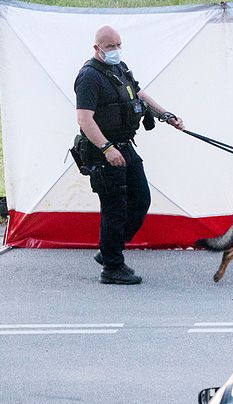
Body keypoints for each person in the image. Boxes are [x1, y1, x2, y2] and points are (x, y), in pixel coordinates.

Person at [74, 25, 184, 284]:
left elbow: (139, 93)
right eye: (110, 46)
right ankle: (111, 268)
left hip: (125, 145)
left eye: (118, 45)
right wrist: (106, 148)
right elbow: (84, 118)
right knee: (114, 209)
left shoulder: (119, 69)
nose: (115, 50)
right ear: (97, 48)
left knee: (141, 199)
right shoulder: (89, 77)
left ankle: (109, 249)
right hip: (104, 152)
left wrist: (165, 115)